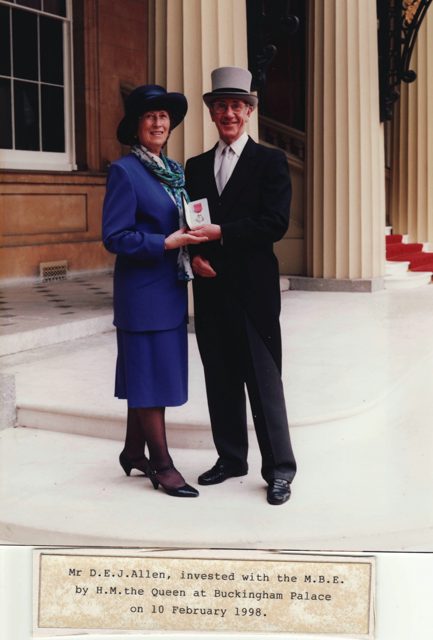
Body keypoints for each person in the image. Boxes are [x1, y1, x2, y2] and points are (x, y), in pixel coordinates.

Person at [185, 66, 297, 505]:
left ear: (249, 112)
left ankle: (280, 470)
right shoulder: (194, 167)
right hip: (210, 290)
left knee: (264, 383)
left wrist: (220, 234)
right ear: (212, 113)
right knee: (220, 378)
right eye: (221, 106)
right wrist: (195, 256)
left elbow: (275, 223)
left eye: (237, 105)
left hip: (253, 293)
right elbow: (189, 223)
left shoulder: (270, 161)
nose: (228, 113)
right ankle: (231, 458)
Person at [102, 84, 207, 498]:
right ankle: (162, 465)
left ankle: (133, 450)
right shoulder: (125, 172)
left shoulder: (173, 172)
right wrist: (164, 243)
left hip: (168, 288)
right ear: (136, 126)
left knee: (149, 374)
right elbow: (115, 236)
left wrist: (194, 249)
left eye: (164, 116)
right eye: (150, 117)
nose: (159, 122)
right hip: (141, 293)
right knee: (150, 381)